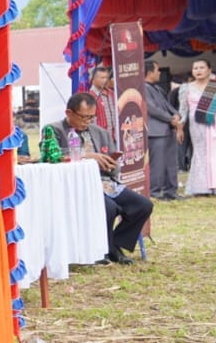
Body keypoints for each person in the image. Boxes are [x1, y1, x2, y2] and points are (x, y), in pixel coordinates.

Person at [50, 93, 153, 263]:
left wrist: (110, 164)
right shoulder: (54, 130)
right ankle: (103, 250)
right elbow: (51, 155)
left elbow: (115, 165)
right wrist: (86, 156)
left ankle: (114, 244)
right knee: (108, 208)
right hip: (76, 184)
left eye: (92, 117)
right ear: (69, 113)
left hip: (106, 182)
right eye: (84, 117)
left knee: (142, 205)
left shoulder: (101, 133)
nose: (88, 121)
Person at [176, 58, 216, 196]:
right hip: (196, 126)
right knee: (200, 153)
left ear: (209, 70)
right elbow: (183, 111)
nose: (198, 71)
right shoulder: (186, 88)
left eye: (201, 67)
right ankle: (201, 188)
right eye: (195, 68)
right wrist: (179, 128)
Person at [144, 59, 183, 200]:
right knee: (158, 163)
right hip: (156, 131)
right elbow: (152, 108)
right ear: (149, 72)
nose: (159, 73)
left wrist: (176, 115)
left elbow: (168, 106)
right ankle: (154, 192)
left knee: (171, 162)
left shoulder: (157, 88)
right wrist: (171, 119)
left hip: (167, 129)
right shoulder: (142, 88)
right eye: (157, 70)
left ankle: (170, 191)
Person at [89, 66, 115, 132]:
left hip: (115, 136)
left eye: (107, 77)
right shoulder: (90, 96)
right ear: (93, 79)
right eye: (102, 78)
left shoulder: (112, 93)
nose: (105, 80)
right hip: (100, 136)